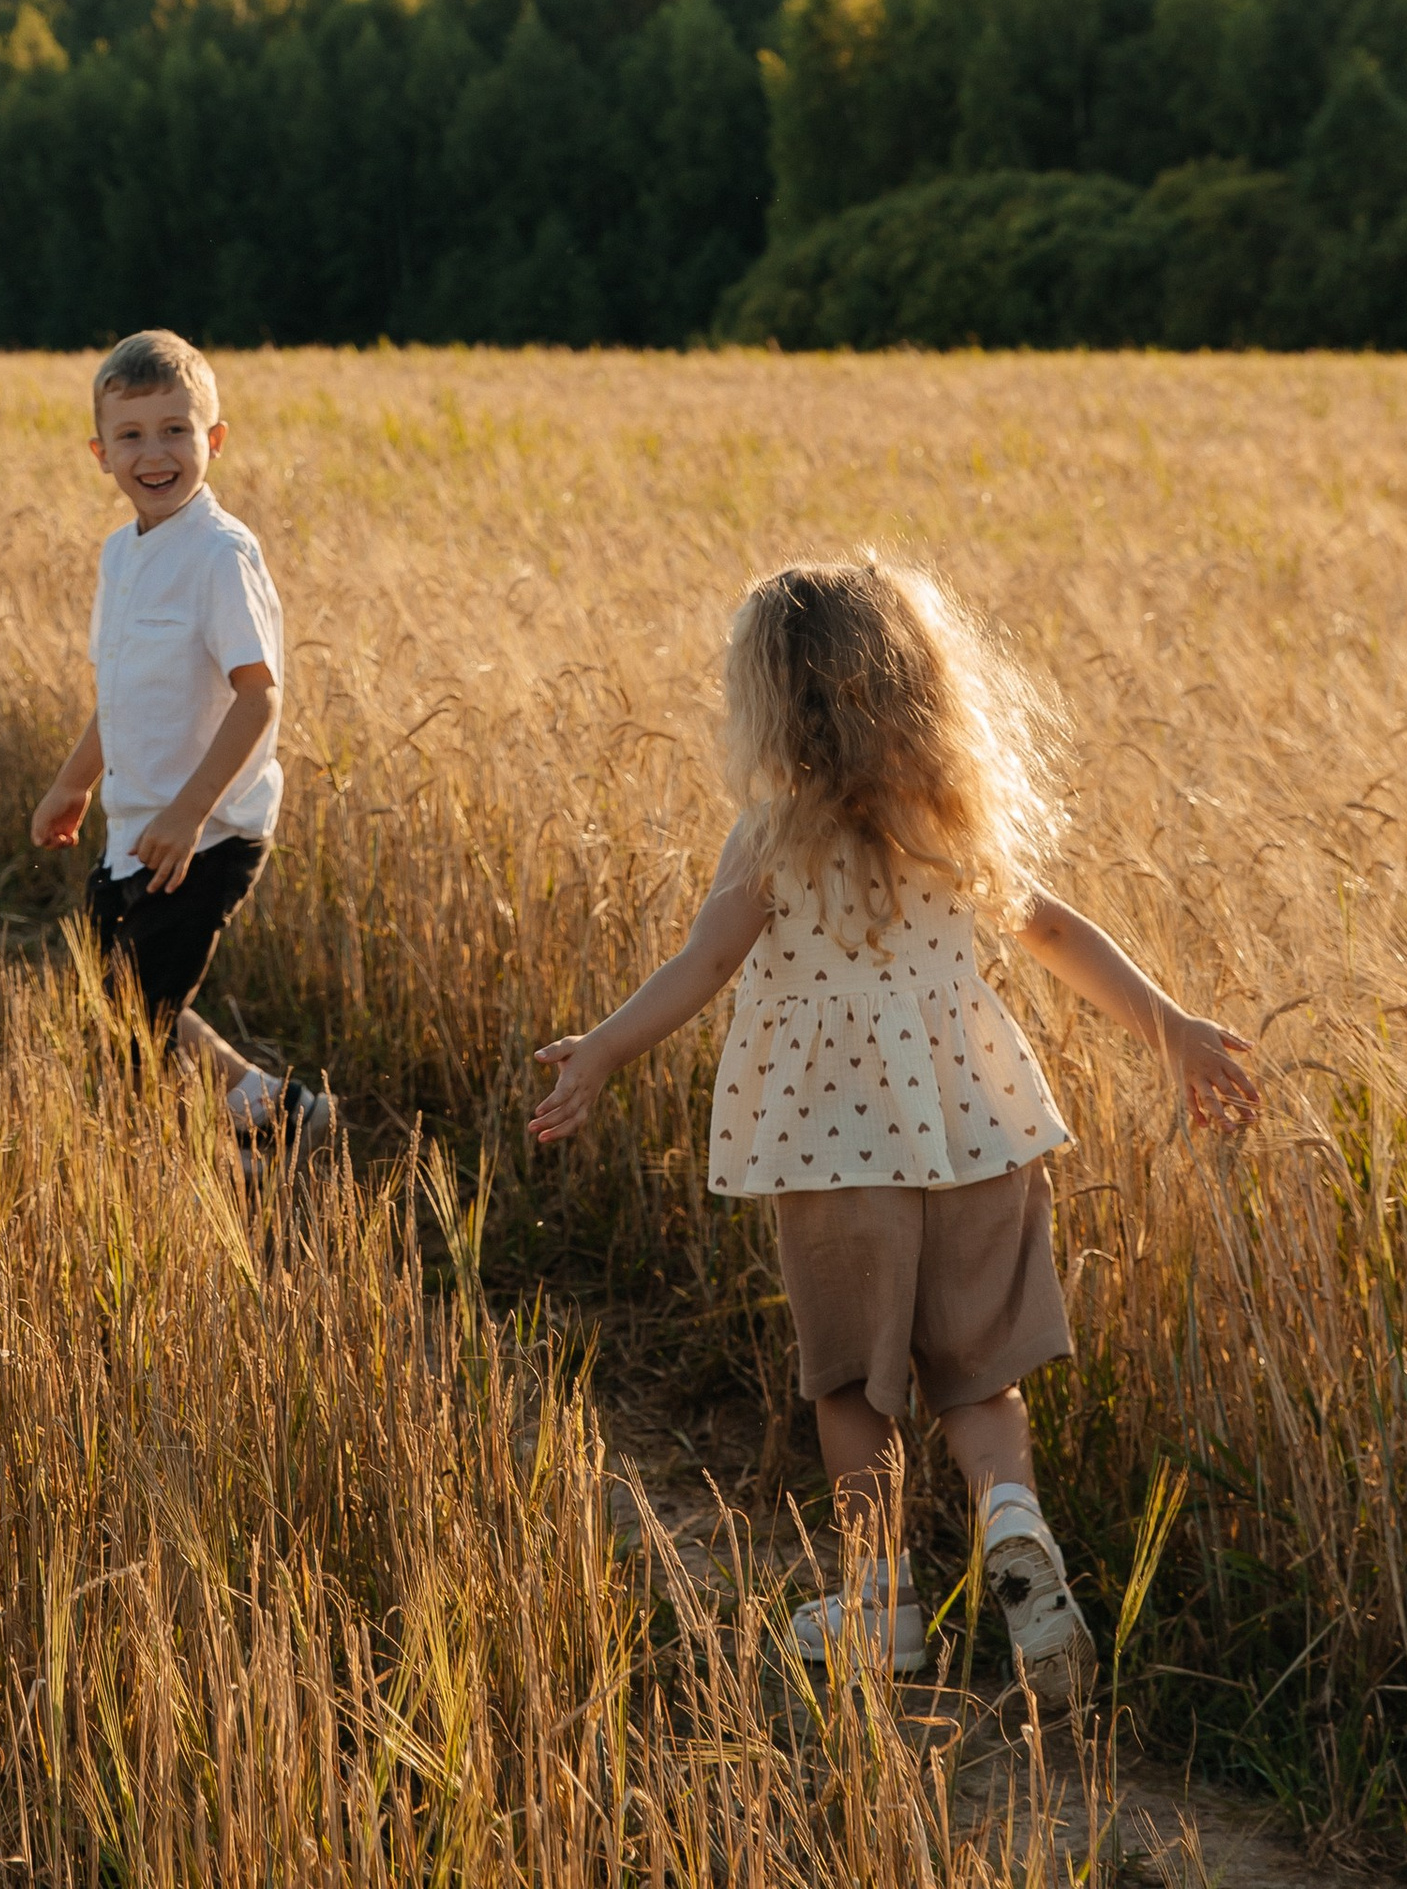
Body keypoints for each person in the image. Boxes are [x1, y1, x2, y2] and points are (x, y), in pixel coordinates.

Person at [527, 553, 1256, 1698]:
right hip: (976, 1129)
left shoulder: (769, 838)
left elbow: (703, 964)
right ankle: (1011, 1521)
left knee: (855, 1388)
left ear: (768, 697)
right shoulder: (952, 821)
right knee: (978, 1380)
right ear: (917, 683)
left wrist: (604, 1050)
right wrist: (1174, 1030)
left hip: (827, 1147)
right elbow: (1056, 934)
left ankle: (882, 1608)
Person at [32, 329, 332, 1160]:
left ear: (215, 440)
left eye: (175, 430)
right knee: (119, 995)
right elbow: (119, 697)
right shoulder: (120, 559)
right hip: (136, 830)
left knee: (136, 1018)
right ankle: (274, 1104)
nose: (153, 452)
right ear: (101, 452)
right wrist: (72, 784)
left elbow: (259, 697)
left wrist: (191, 814)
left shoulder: (220, 555)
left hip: (209, 834)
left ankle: (210, 1169)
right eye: (131, 435)